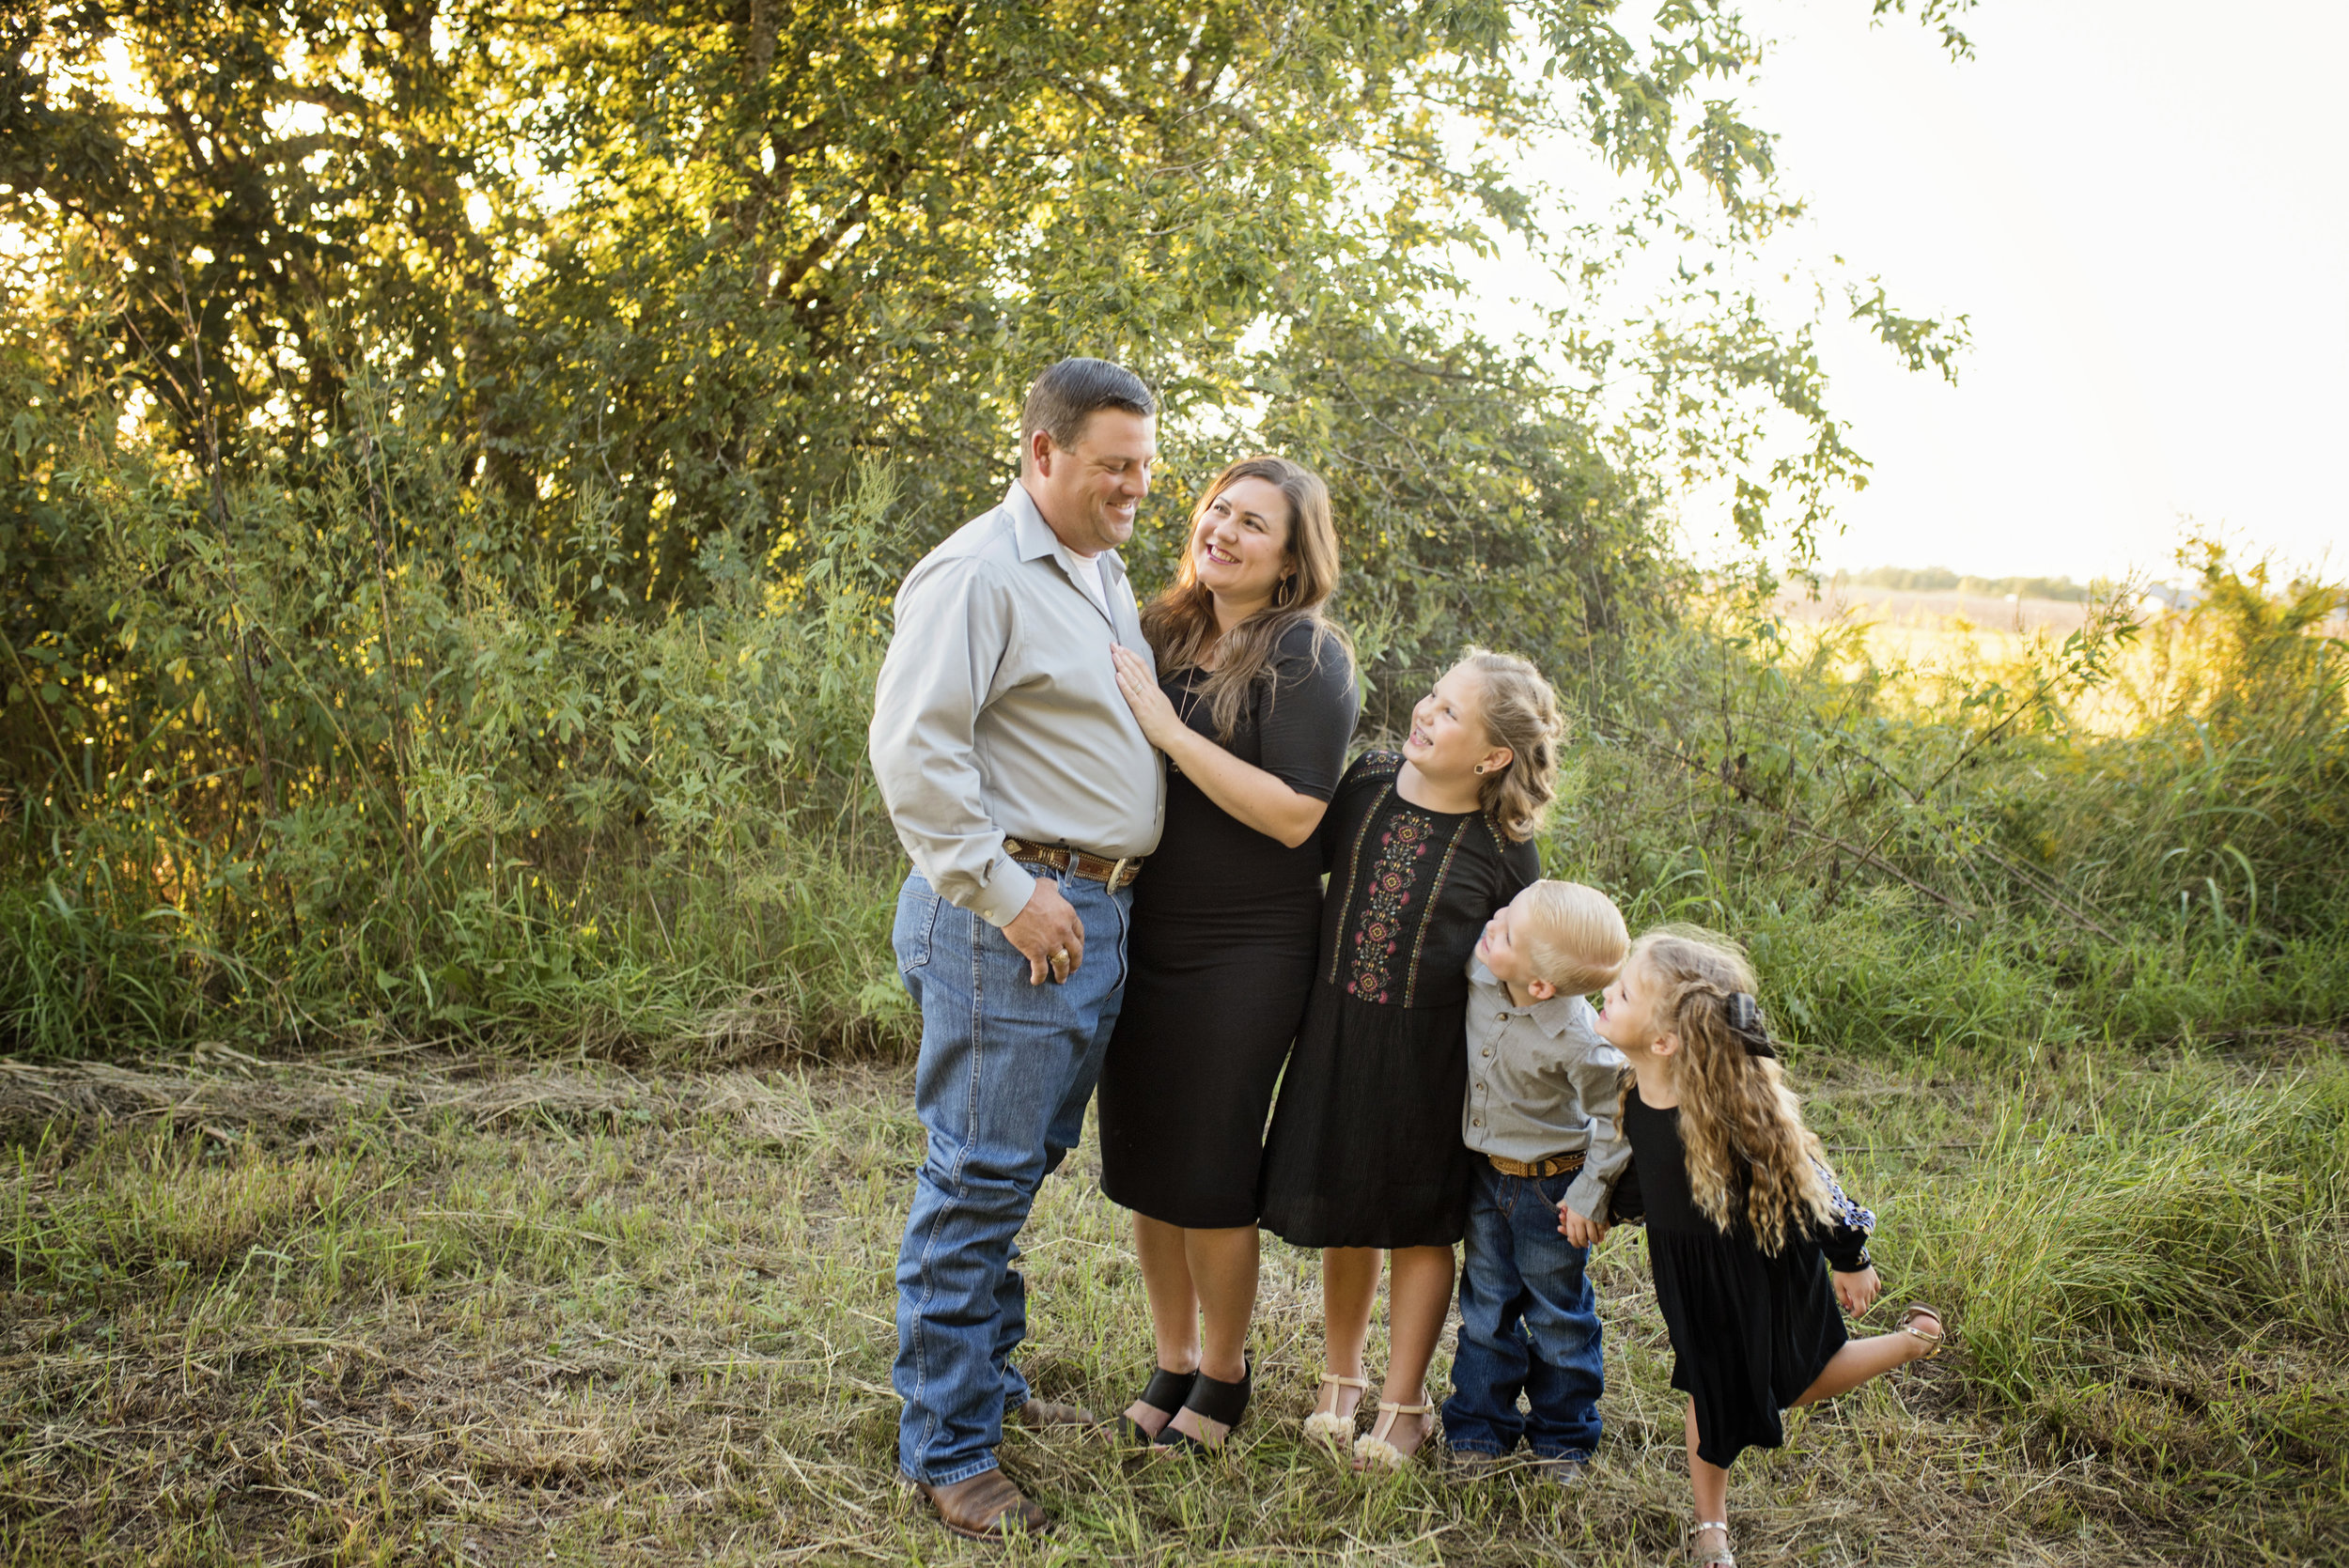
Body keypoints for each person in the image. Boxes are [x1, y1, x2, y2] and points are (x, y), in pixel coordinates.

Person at [866, 357, 1165, 1540]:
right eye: (1113, 467)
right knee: (977, 1174)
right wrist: (1006, 892)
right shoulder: (978, 573)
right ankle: (948, 1452)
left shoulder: (1096, 564)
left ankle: (978, 1382)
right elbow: (916, 756)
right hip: (1017, 917)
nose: (1135, 489)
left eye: (1144, 468)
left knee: (1017, 1164)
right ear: (1041, 452)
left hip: (1087, 910)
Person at [1096, 455, 1359, 1452]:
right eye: (1218, 509)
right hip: (1144, 928)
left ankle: (1224, 1368)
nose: (1225, 530)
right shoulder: (1161, 627)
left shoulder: (1305, 655)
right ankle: (1170, 1356)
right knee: (1145, 1159)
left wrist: (1166, 730)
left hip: (1248, 945)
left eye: (1255, 523)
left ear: (1292, 557)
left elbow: (1296, 816)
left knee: (1206, 1165)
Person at [1258, 648, 1564, 1469]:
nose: (1426, 712)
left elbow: (1525, 957)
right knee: (1341, 1206)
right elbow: (1295, 852)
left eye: (1450, 712)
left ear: (1494, 755)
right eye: (1432, 696)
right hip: (1335, 1028)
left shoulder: (1503, 843)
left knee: (1418, 1223)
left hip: (1432, 1056)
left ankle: (1404, 1401)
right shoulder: (1367, 781)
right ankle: (1340, 1380)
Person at [1594, 926, 1947, 1568]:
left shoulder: (1730, 1111)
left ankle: (1907, 1344)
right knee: (1709, 1387)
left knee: (1796, 1380)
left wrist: (1850, 1255)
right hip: (1691, 1277)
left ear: (1665, 1039)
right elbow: (1646, 1174)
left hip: (1766, 1267)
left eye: (1620, 992)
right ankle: (1711, 1528)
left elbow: (1806, 1178)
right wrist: (1607, 1213)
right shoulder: (1634, 1094)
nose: (1605, 995)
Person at [1440, 879, 1632, 1483]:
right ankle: (1478, 1427)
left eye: (1508, 927)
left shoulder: (1581, 1041)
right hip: (1486, 1176)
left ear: (1542, 985)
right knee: (1486, 1306)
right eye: (1505, 912)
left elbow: (1615, 1119)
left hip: (1552, 1189)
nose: (1492, 920)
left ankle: (1564, 1438)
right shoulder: (1483, 972)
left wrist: (1589, 1198)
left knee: (1557, 1317)